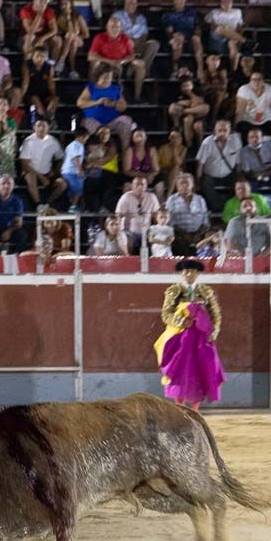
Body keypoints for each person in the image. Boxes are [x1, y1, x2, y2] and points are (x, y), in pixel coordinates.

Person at [155, 259, 224, 411]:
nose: (188, 274)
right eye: (185, 271)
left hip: (201, 337)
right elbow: (166, 314)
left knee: (200, 370)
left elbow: (215, 314)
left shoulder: (205, 291)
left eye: (192, 271)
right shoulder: (174, 291)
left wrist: (215, 330)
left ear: (198, 273)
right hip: (181, 336)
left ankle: (195, 410)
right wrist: (181, 321)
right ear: (181, 273)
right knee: (180, 369)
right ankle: (179, 408)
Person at [76, 65, 134, 149]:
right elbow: (80, 103)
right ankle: (94, 151)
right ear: (98, 77)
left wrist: (114, 104)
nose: (107, 80)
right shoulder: (90, 88)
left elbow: (123, 107)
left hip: (112, 122)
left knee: (126, 120)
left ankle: (125, 150)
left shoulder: (116, 89)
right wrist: (97, 102)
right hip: (93, 121)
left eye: (109, 77)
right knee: (88, 123)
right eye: (104, 77)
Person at [19, 119, 65, 206]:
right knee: (30, 176)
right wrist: (41, 177)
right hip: (31, 172)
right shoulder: (28, 141)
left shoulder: (53, 141)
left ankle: (48, 203)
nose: (41, 128)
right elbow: (24, 164)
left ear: (48, 128)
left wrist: (56, 171)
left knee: (62, 184)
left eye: (43, 126)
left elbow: (61, 157)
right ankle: (38, 204)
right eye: (38, 126)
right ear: (34, 128)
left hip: (47, 173)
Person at [165, 173, 209, 256]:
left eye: (187, 183)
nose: (185, 185)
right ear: (177, 185)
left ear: (192, 185)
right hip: (179, 236)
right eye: (182, 183)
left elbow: (205, 220)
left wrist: (198, 234)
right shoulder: (171, 200)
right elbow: (169, 222)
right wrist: (185, 235)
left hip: (198, 234)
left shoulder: (200, 199)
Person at [239, 127, 271, 196]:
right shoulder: (244, 151)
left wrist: (265, 173)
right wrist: (258, 176)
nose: (254, 139)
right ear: (248, 139)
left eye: (257, 137)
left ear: (262, 138)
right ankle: (254, 204)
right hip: (256, 177)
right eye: (251, 137)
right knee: (249, 183)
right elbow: (247, 171)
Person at [115, 174, 159, 255]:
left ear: (146, 186)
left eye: (142, 184)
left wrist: (156, 230)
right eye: (137, 184)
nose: (140, 187)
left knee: (157, 236)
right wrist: (119, 230)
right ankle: (128, 259)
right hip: (129, 231)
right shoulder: (126, 197)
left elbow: (156, 215)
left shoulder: (152, 197)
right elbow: (119, 215)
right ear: (132, 186)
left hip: (147, 231)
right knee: (124, 238)